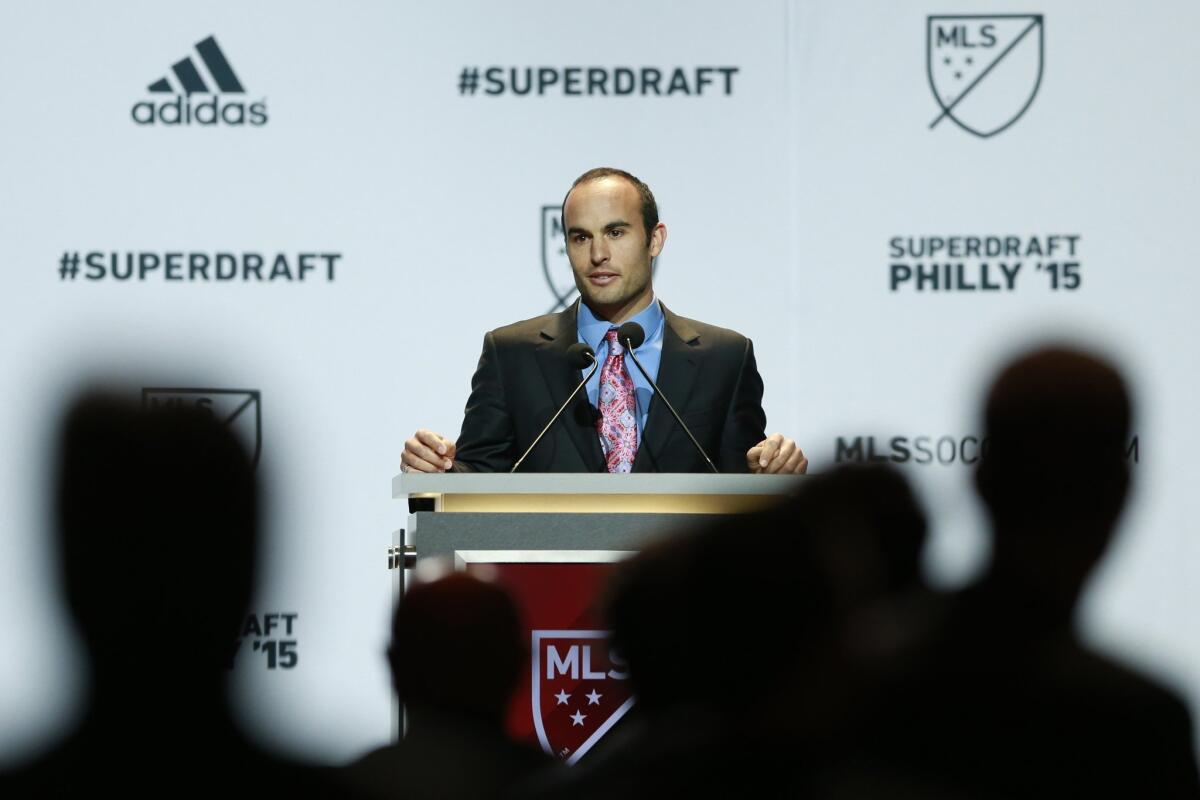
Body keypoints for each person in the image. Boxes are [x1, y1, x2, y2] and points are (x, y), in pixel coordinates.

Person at [402, 167, 808, 474]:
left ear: (655, 239)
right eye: (580, 237)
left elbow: (740, 492)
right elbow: (478, 484)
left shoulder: (725, 357)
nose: (598, 254)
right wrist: (438, 470)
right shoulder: (511, 354)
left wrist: (774, 472)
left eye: (615, 233)